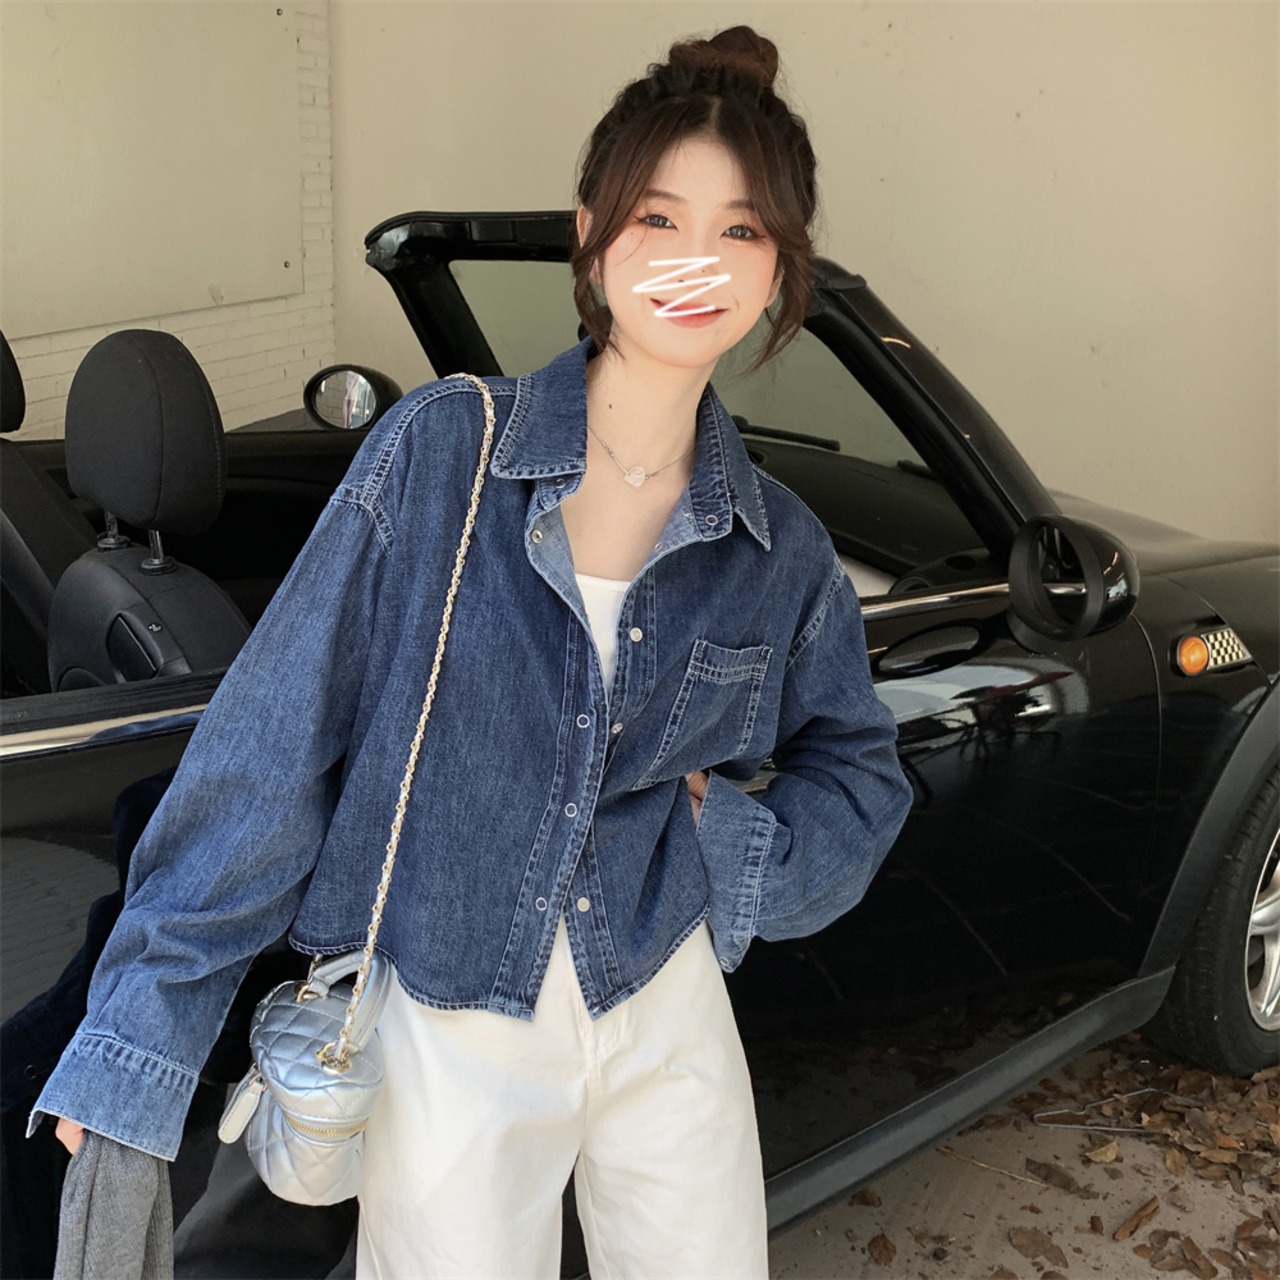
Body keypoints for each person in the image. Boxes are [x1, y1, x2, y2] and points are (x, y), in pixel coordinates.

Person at [34, 24, 913, 1279]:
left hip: (660, 994)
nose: (695, 260)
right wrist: (142, 1030)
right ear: (590, 236)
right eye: (657, 219)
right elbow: (272, 744)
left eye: (740, 230)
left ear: (777, 269)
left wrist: (728, 840)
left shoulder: (775, 546)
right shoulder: (447, 452)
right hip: (449, 1014)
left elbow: (861, 772)